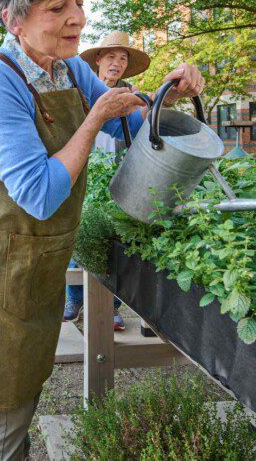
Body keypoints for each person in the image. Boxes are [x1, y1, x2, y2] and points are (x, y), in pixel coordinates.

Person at [0, 0, 203, 461]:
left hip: (38, 259)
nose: (77, 18)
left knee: (29, 392)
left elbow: (131, 119)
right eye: (57, 6)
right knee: (3, 414)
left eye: (80, 3)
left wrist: (168, 95)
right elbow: (38, 192)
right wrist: (95, 118)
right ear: (13, 18)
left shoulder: (71, 70)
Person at [61, 30, 154, 331]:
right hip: (82, 166)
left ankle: (111, 305)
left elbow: (136, 133)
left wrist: (147, 106)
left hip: (114, 171)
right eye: (111, 56)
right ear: (98, 59)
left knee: (115, 235)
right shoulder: (81, 89)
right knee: (81, 230)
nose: (116, 63)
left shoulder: (132, 94)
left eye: (123, 58)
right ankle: (75, 298)